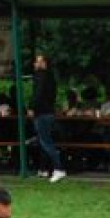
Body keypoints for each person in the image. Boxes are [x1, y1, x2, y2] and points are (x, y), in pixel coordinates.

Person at [30, 53, 67, 183]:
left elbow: (38, 94)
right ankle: (44, 168)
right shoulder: (51, 77)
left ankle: (58, 168)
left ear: (44, 63)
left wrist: (32, 107)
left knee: (46, 142)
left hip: (42, 113)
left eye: (38, 61)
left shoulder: (41, 77)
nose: (35, 64)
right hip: (48, 112)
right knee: (44, 141)